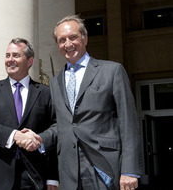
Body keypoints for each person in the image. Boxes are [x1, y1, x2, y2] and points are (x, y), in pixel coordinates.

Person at [18, 15, 143, 190]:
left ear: (85, 39)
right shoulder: (55, 82)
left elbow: (128, 123)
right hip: (69, 172)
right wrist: (40, 138)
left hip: (104, 167)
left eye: (73, 37)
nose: (68, 44)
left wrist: (130, 170)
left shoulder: (112, 71)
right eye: (62, 40)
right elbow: (61, 125)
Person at [0, 38, 58, 190]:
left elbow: (55, 129)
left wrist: (52, 177)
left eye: (16, 55)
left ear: (30, 61)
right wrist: (15, 135)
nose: (10, 60)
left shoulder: (45, 92)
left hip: (33, 176)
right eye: (7, 55)